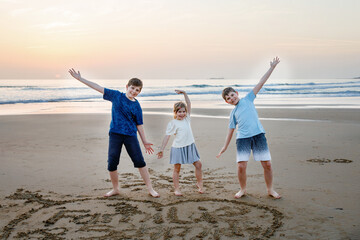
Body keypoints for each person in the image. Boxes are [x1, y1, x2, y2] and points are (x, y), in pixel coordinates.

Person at [68, 68, 159, 198]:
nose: (134, 91)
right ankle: (115, 189)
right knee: (112, 162)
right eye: (132, 88)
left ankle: (150, 189)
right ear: (127, 86)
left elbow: (139, 124)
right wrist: (80, 79)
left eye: (137, 90)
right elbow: (98, 87)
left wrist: (144, 141)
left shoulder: (137, 106)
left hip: (130, 136)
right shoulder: (116, 95)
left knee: (139, 161)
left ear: (139, 92)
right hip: (115, 134)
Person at [216, 57, 281, 199]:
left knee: (267, 164)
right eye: (228, 98)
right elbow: (230, 130)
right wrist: (224, 147)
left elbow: (261, 82)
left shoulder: (249, 99)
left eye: (232, 95)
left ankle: (270, 189)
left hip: (258, 136)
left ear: (236, 93)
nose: (231, 98)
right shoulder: (233, 113)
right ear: (227, 102)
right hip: (243, 139)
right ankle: (243, 189)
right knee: (241, 166)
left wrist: (272, 67)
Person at [157, 90, 204, 196]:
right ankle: (177, 189)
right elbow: (167, 136)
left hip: (190, 146)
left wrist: (184, 93)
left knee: (198, 164)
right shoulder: (173, 123)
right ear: (175, 112)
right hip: (178, 148)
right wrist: (161, 149)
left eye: (183, 111)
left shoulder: (187, 119)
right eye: (179, 112)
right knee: (177, 169)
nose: (182, 114)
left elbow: (189, 103)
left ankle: (199, 184)